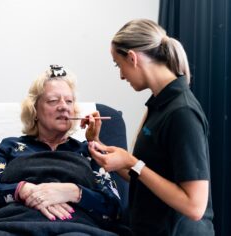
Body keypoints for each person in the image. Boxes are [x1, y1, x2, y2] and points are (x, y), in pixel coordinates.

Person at [0, 65, 129, 236]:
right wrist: (22, 190)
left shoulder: (88, 151)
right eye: (53, 100)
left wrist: (73, 192)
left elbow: (114, 208)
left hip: (76, 227)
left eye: (69, 101)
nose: (63, 107)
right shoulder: (10, 147)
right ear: (35, 110)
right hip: (10, 223)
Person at [88, 19, 215, 236]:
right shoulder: (159, 104)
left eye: (119, 65)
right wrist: (98, 144)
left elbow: (195, 207)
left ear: (132, 57)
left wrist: (133, 162)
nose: (121, 75)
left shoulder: (182, 112)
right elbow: (146, 176)